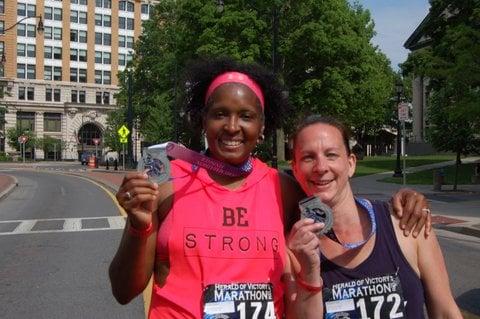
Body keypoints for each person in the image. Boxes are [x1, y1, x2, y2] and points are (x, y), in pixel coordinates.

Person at [109, 57, 431, 318]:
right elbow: (124, 292)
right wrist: (139, 226)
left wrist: (401, 203)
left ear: (261, 127)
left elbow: (338, 207)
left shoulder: (283, 189)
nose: (233, 127)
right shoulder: (166, 183)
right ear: (201, 121)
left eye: (246, 116)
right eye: (220, 114)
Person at [285, 115, 461, 318]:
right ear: (296, 169)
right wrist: (309, 271)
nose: (321, 167)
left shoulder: (406, 224)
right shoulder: (294, 250)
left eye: (331, 155)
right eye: (308, 157)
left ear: (351, 164)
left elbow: (445, 312)